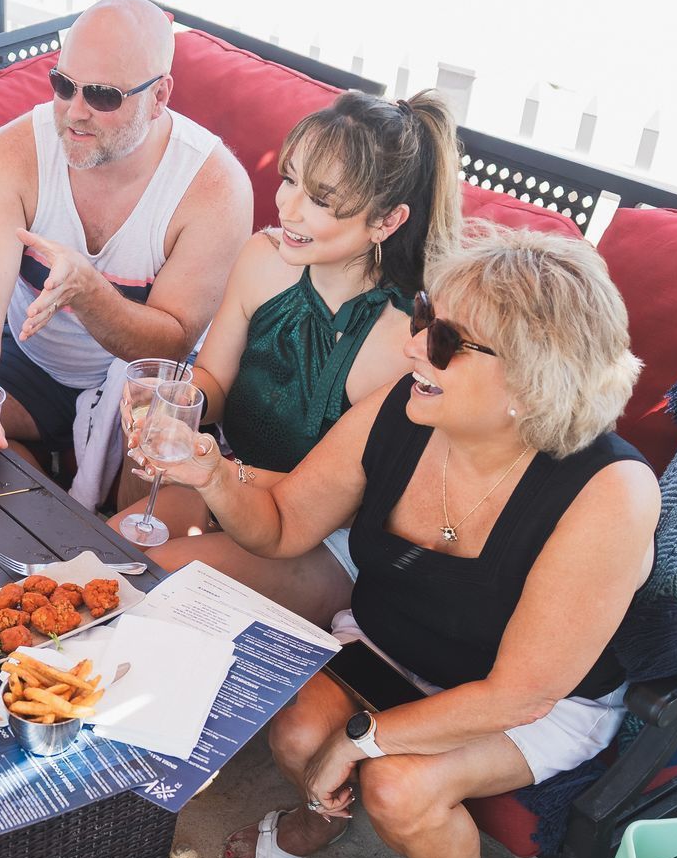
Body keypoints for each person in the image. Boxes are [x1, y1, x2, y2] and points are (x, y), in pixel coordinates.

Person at [155, 227, 658, 858]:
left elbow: (520, 692)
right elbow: (285, 523)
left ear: (532, 380)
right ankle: (318, 818)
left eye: (448, 340)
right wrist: (214, 472)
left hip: (526, 702)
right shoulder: (405, 408)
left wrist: (365, 737)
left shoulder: (610, 494)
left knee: (397, 783)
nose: (416, 343)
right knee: (293, 728)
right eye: (427, 314)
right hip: (393, 643)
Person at [110, 89, 461, 622]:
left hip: (324, 538)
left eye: (320, 199)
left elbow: (335, 506)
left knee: (152, 594)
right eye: (290, 178)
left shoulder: (407, 341)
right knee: (105, 562)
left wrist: (215, 473)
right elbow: (216, 381)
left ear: (386, 222)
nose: (287, 207)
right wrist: (180, 403)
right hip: (230, 479)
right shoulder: (262, 259)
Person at [0, 0, 252, 468]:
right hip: (38, 363)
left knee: (159, 469)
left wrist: (90, 294)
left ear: (159, 97)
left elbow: (169, 342)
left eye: (104, 95)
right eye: (64, 85)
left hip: (145, 383)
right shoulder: (13, 153)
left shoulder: (215, 187)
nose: (74, 112)